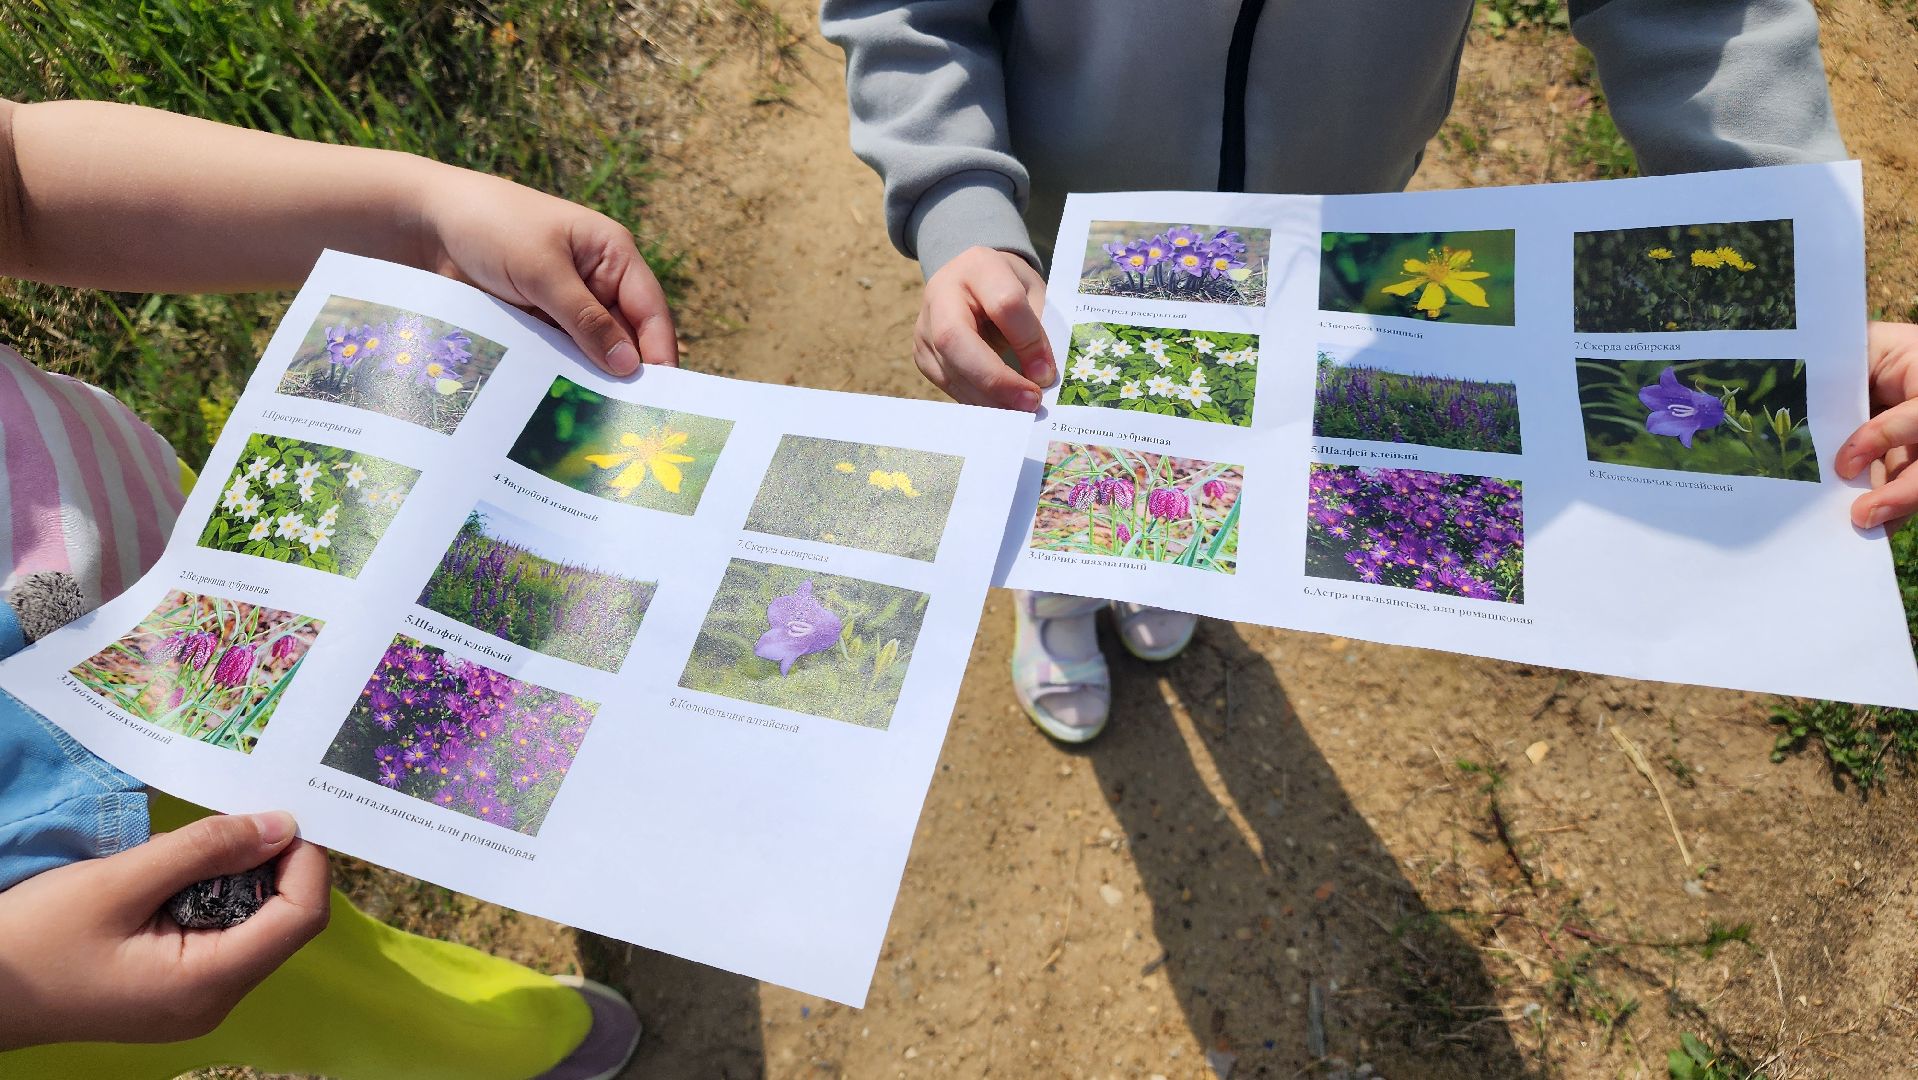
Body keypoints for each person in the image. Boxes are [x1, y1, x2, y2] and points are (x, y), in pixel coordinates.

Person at [821, 0, 1867, 742]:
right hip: (1065, 209)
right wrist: (956, 198)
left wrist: (1804, 295)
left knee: (1220, 418)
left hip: (1333, 216)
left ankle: (1153, 558)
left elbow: (1695, 15)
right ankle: (1061, 586)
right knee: (1073, 408)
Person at [0, 95, 673, 1078]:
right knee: (304, 982)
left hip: (153, 583)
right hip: (38, 899)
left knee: (340, 888)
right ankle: (504, 1051)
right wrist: (16, 986)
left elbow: (13, 181)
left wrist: (419, 214)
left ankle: (503, 1027)